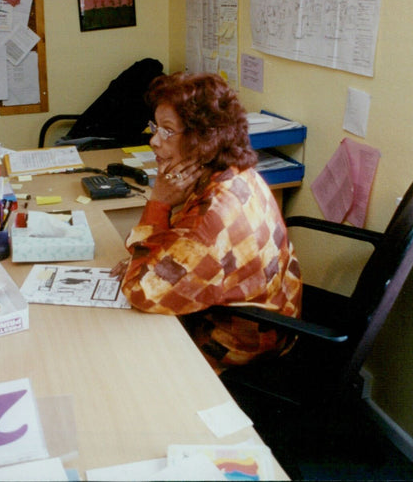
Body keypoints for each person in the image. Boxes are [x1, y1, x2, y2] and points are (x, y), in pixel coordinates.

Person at [113, 72, 303, 373]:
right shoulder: (237, 173)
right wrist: (153, 256)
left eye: (167, 131)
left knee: (121, 360)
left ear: (202, 139)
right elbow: (182, 246)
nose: (153, 140)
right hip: (270, 318)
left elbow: (140, 291)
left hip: (238, 344)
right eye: (155, 127)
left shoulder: (211, 220)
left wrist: (159, 202)